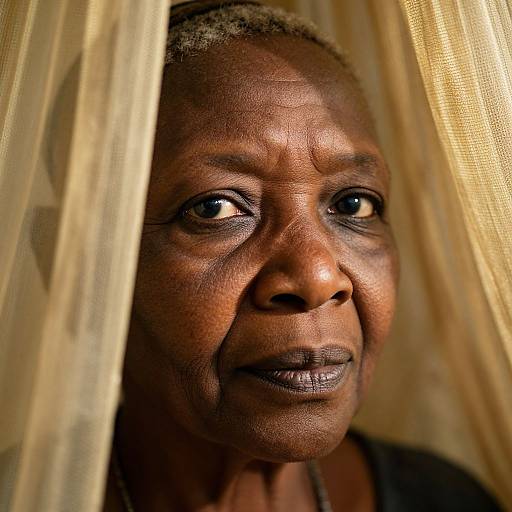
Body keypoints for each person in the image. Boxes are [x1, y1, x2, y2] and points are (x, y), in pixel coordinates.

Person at [102, 1, 502, 510]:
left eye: (353, 204)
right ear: (91, 264)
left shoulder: (450, 500)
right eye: (215, 207)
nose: (316, 278)